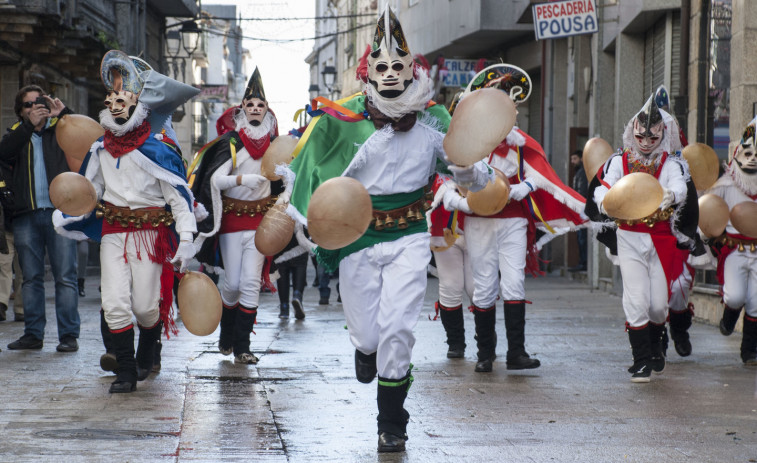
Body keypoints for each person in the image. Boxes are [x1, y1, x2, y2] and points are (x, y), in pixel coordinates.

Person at [281, 7, 494, 452]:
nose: (391, 73)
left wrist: (468, 169)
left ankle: (392, 424)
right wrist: (304, 218)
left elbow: (464, 166)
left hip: (411, 233)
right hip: (358, 235)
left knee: (399, 329)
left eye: (399, 65)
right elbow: (306, 165)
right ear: (368, 71)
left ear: (412, 69)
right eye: (382, 65)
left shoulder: (434, 116)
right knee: (368, 333)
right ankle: (363, 349)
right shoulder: (343, 118)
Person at [54, 50, 200, 393]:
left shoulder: (158, 149)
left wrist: (188, 238)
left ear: (137, 103)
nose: (112, 101)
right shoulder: (100, 149)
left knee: (146, 308)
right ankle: (126, 371)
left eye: (121, 95)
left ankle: (149, 348)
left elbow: (179, 198)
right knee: (114, 303)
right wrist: (71, 207)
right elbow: (93, 190)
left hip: (150, 236)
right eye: (111, 96)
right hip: (114, 233)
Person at [441, 64, 588, 373]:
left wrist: (525, 187)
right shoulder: (466, 142)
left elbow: (544, 177)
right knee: (483, 286)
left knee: (514, 283)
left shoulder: (522, 143)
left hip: (513, 222)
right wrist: (463, 198)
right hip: (479, 219)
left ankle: (516, 352)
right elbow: (450, 177)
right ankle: (485, 353)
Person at [586, 93, 698, 382]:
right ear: (633, 133)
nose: (646, 143)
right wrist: (604, 201)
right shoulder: (618, 161)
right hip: (629, 235)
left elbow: (680, 187)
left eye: (652, 138)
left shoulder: (671, 163)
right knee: (636, 299)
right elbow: (602, 187)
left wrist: (671, 195)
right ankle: (641, 361)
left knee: (658, 305)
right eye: (641, 137)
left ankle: (657, 341)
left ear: (661, 135)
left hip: (661, 237)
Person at [189, 67, 281, 365]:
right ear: (242, 109)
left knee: (252, 282)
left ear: (267, 111)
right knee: (232, 283)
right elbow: (214, 182)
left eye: (260, 105)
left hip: (261, 225)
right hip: (231, 222)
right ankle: (226, 334)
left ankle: (242, 347)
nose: (255, 109)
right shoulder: (231, 143)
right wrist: (242, 181)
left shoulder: (276, 147)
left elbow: (286, 180)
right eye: (250, 105)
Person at [0, 85, 79, 353]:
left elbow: (86, 141)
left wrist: (65, 114)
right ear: (20, 111)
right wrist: (27, 127)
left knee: (66, 277)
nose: (35, 107)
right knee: (30, 278)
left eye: (39, 102)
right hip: (25, 216)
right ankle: (33, 333)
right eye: (28, 105)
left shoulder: (61, 131)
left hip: (60, 215)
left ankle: (68, 335)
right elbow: (3, 152)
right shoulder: (15, 135)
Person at [707, 116, 757, 365]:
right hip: (734, 249)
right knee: (736, 296)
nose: (752, 158)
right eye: (748, 152)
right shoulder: (726, 184)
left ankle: (749, 351)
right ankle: (729, 316)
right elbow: (709, 211)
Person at [428, 173, 473, 359]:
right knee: (450, 285)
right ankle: (455, 342)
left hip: (476, 224)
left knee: (477, 288)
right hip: (443, 226)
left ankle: (485, 339)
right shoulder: (431, 149)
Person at [273, 225, 312, 319]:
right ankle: (297, 296)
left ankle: (284, 307)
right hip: (300, 238)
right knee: (300, 266)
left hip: (282, 237)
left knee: (282, 270)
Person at [569, 150, 588, 271]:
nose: (572, 162)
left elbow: (581, 193)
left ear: (581, 159)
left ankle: (584, 263)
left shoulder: (582, 173)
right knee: (580, 237)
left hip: (582, 210)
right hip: (580, 209)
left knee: (582, 238)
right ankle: (582, 262)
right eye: (572, 159)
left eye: (575, 159)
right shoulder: (579, 172)